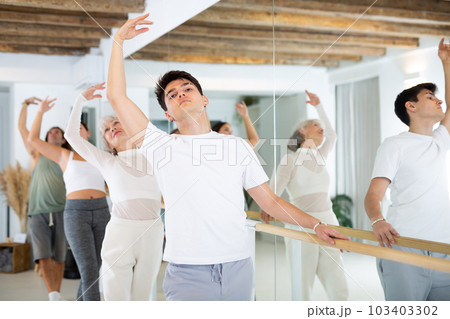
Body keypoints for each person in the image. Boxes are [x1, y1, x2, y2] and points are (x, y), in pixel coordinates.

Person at [106, 13, 348, 301]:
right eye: (172, 94)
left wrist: (317, 225)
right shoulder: (159, 146)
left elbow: (270, 201)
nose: (181, 93)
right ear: (168, 114)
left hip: (239, 265)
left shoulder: (237, 147)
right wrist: (118, 41)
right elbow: (116, 96)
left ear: (204, 99)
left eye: (188, 89)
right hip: (188, 271)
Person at [364, 38, 450, 301]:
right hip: (405, 249)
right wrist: (378, 221)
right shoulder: (395, 145)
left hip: (443, 251)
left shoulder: (441, 139)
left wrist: (446, 63)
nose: (438, 101)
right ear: (410, 107)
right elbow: (373, 194)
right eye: (430, 97)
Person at [64, 83, 164, 301]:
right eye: (106, 130)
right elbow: (71, 135)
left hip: (153, 232)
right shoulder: (107, 160)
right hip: (121, 233)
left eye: (116, 123)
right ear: (107, 142)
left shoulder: (153, 154)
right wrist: (81, 98)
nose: (112, 129)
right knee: (115, 298)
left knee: (143, 298)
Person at [261, 91, 348, 301]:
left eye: (323, 127)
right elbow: (271, 195)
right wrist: (267, 211)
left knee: (338, 283)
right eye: (315, 125)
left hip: (328, 219)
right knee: (302, 284)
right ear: (302, 130)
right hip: (300, 223)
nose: (322, 130)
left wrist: (319, 106)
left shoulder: (320, 156)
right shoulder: (289, 160)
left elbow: (333, 135)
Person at [28, 97, 110, 301]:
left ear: (88, 133)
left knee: (95, 268)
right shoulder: (64, 155)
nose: (75, 131)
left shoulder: (101, 155)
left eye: (80, 127)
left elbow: (111, 184)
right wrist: (40, 112)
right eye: (71, 130)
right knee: (89, 270)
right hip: (76, 212)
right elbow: (33, 141)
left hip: (101, 211)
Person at [18, 97, 67, 301]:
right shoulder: (36, 154)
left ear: (63, 139)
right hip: (38, 212)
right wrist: (26, 105)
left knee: (60, 257)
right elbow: (23, 129)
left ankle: (56, 294)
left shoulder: (66, 156)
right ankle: (52, 295)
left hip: (62, 211)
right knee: (44, 255)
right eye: (50, 132)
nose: (53, 133)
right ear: (45, 138)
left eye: (58, 132)